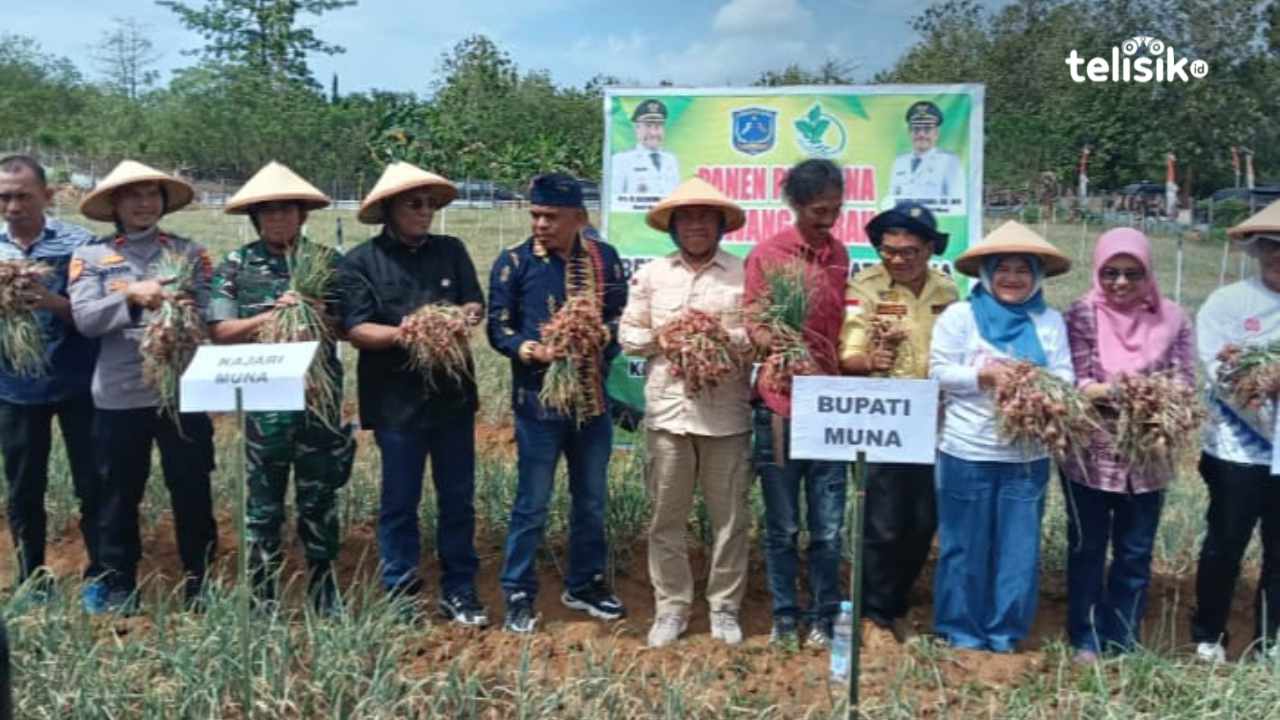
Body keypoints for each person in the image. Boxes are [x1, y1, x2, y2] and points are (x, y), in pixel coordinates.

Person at [340, 161, 488, 626]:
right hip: (395, 402)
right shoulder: (361, 262)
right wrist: (409, 333)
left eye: (429, 204)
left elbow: (473, 304)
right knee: (400, 500)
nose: (425, 212)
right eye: (414, 204)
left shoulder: (451, 250)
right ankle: (400, 589)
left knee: (458, 497)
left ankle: (460, 587)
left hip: (452, 398)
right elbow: (357, 329)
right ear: (389, 209)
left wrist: (459, 318)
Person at [69, 160, 217, 613]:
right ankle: (117, 582)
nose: (143, 202)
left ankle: (200, 580)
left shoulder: (190, 253)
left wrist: (185, 319)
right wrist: (130, 298)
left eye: (152, 194)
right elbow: (86, 320)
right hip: (118, 395)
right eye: (132, 195)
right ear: (114, 203)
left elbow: (210, 315)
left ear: (163, 202)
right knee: (117, 494)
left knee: (192, 489)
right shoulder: (91, 256)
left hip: (182, 394)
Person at [207, 161, 355, 614]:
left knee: (319, 496)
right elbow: (219, 329)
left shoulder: (328, 262)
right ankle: (262, 592)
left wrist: (313, 314)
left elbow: (348, 326)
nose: (278, 218)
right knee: (263, 501)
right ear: (255, 217)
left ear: (302, 214)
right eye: (268, 211)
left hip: (318, 400)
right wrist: (269, 319)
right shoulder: (236, 265)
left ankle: (323, 586)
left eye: (287, 209)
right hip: (264, 402)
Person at [487, 173, 628, 634]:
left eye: (551, 217)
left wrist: (597, 335)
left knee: (590, 500)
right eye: (535, 215)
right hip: (538, 405)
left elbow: (620, 314)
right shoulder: (514, 263)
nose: (541, 224)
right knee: (532, 502)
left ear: (579, 219)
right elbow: (498, 329)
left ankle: (585, 584)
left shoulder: (603, 259)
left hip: (592, 403)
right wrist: (536, 351)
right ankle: (519, 591)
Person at [619, 177, 753, 647]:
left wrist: (717, 339)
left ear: (720, 225)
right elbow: (629, 334)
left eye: (705, 216)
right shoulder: (653, 274)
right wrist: (667, 337)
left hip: (726, 418)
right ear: (673, 227)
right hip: (668, 415)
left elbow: (758, 338)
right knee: (665, 518)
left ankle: (724, 607)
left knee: (731, 520)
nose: (696, 225)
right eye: (686, 217)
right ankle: (672, 607)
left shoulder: (742, 274)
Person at [929, 220, 1073, 652]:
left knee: (1018, 551)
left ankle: (1005, 633)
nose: (1013, 278)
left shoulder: (1049, 321)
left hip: (1025, 458)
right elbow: (937, 371)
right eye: (1003, 268)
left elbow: (1065, 374)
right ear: (987, 273)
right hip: (966, 449)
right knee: (962, 546)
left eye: (1023, 269)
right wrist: (985, 376)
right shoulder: (960, 316)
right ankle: (960, 630)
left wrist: (1039, 388)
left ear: (1037, 275)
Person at [1058, 227, 1193, 664]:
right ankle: (1085, 637)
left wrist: (1150, 399)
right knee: (1088, 550)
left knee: (1135, 553)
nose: (1120, 283)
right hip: (1090, 457)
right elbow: (1076, 382)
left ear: (1147, 273)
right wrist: (1123, 391)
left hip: (1149, 457)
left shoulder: (1173, 318)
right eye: (1110, 272)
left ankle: (1124, 638)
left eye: (1132, 274)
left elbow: (1184, 382)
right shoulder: (1081, 314)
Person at [838, 201, 957, 644]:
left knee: (924, 519)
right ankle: (873, 613)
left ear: (929, 249)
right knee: (882, 519)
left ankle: (898, 602)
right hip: (882, 416)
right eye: (889, 250)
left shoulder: (947, 291)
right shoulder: (865, 288)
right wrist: (867, 360)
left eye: (910, 251)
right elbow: (848, 349)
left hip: (935, 420)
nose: (899, 259)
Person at [744, 158, 850, 648]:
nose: (828, 219)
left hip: (828, 407)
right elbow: (754, 324)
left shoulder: (840, 255)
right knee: (783, 525)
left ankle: (825, 615)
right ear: (795, 205)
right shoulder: (769, 254)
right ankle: (786, 614)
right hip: (780, 404)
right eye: (818, 210)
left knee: (828, 527)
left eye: (835, 208)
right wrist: (784, 350)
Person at [0, 155, 102, 608]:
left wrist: (48, 299)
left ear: (47, 195)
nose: (13, 206)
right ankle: (31, 575)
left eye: (23, 195)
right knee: (23, 485)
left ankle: (103, 572)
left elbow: (97, 313)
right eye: (4, 197)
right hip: (13, 386)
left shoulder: (81, 243)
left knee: (93, 480)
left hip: (78, 380)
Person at [1192, 200, 1280, 662]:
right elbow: (1218, 373)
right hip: (1236, 450)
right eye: (1272, 246)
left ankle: (1270, 641)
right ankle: (1208, 634)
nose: (1279, 255)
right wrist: (1264, 389)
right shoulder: (1227, 303)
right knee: (1225, 543)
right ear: (1257, 249)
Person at [886, 101, 964, 213]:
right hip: (903, 225)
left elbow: (957, 205)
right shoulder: (899, 162)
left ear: (936, 133)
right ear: (909, 132)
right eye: (916, 129)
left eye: (927, 129)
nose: (921, 134)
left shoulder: (950, 162)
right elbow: (891, 200)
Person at [610, 99, 681, 208]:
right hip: (634, 222)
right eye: (648, 126)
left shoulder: (671, 160)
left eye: (658, 126)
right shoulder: (621, 160)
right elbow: (614, 203)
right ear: (637, 129)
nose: (653, 133)